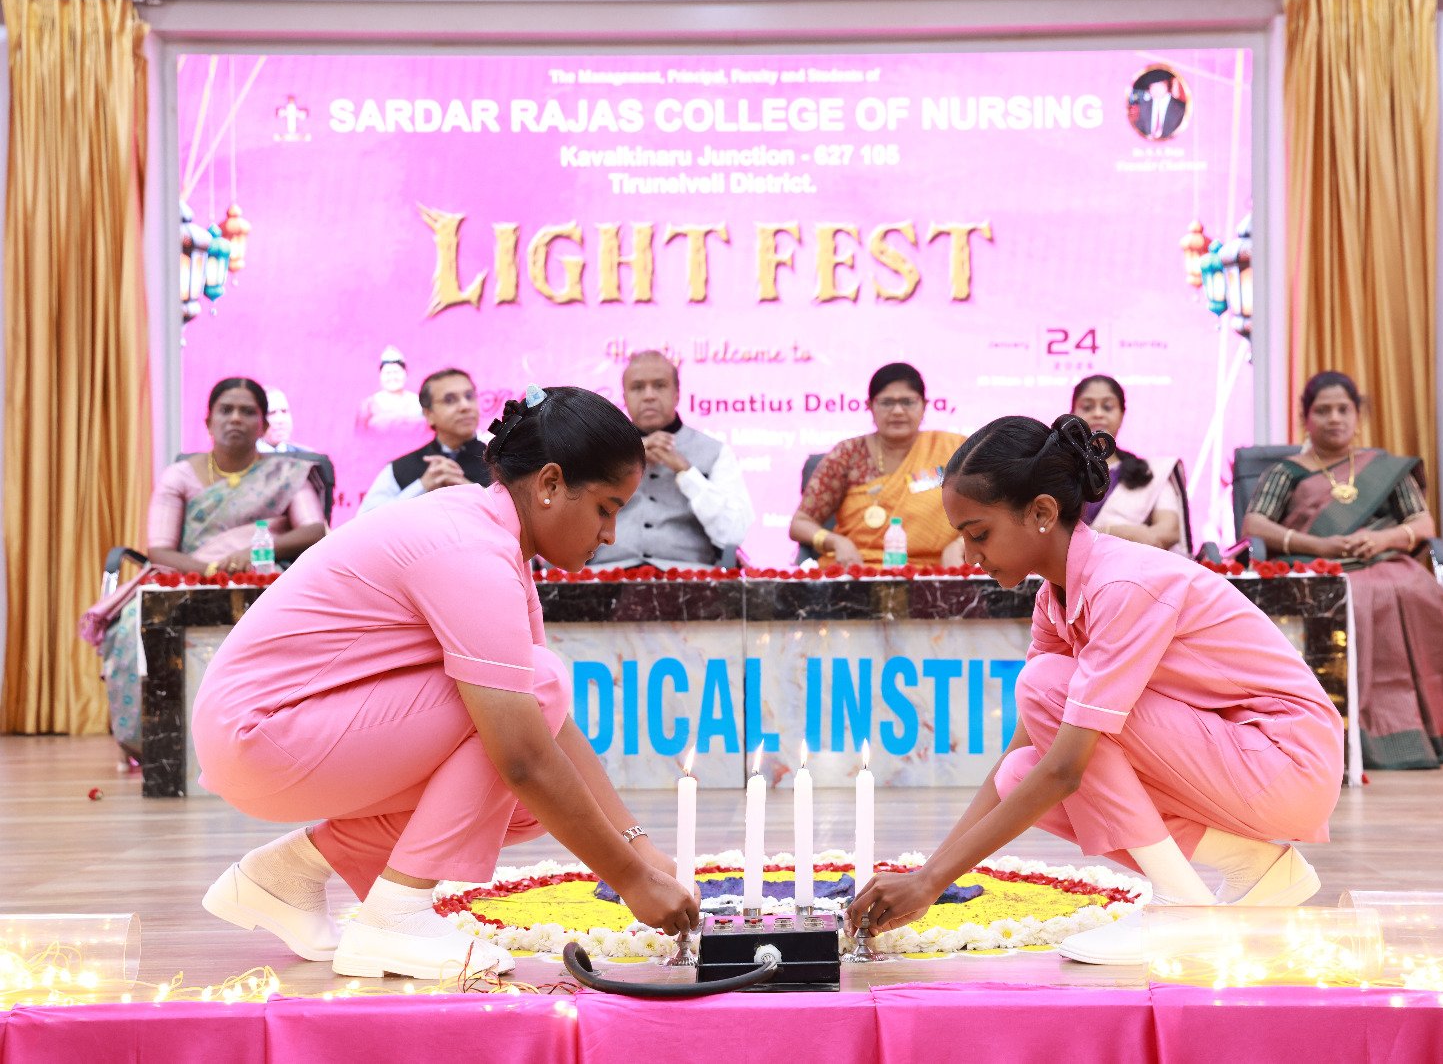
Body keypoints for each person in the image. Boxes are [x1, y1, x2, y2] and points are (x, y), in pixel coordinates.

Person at [192, 385, 698, 981]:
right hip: (261, 734)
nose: (609, 534)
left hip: (275, 735)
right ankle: (395, 917)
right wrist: (632, 880)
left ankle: (289, 874)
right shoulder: (470, 549)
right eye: (606, 509)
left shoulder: (492, 538)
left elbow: (551, 727)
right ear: (550, 484)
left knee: (527, 806)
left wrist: (640, 849)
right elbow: (525, 752)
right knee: (531, 719)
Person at [847, 414, 1343, 966]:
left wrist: (931, 880)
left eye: (979, 534)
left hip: (1286, 760)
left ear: (1041, 513)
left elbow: (1066, 769)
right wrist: (928, 878)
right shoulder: (1054, 598)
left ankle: (1182, 905)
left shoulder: (1121, 584)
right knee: (1018, 775)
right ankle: (1256, 866)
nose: (969, 556)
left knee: (1045, 688)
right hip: (1241, 763)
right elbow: (1024, 755)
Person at [1241, 371, 1443, 769]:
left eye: (1343, 410)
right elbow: (1255, 524)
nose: (1334, 418)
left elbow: (1422, 523)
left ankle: (1414, 733)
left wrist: (1382, 540)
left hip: (1383, 561)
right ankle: (1341, 737)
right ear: (1306, 418)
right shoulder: (1287, 472)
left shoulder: (1381, 468)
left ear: (1357, 416)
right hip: (1316, 567)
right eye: (1323, 410)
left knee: (1425, 598)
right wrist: (1319, 545)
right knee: (1361, 597)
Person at [96, 378, 328, 760]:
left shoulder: (287, 474)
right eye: (226, 410)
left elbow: (314, 530)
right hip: (188, 576)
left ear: (263, 425)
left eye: (247, 411)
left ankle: (285, 737)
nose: (235, 418)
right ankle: (156, 743)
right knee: (133, 622)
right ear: (208, 422)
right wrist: (213, 568)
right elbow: (160, 549)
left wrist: (255, 551)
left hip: (265, 575)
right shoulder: (180, 476)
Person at [789, 362, 966, 567]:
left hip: (936, 574)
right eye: (886, 402)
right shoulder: (848, 454)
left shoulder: (954, 449)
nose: (897, 411)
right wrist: (835, 542)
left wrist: (960, 545)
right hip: (858, 572)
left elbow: (990, 512)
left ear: (924, 405)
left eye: (908, 402)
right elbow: (800, 523)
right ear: (870, 406)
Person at [591, 350, 754, 569]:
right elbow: (567, 524)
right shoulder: (596, 452)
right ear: (625, 397)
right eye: (638, 387)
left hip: (690, 578)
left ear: (677, 394)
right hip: (604, 577)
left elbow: (732, 534)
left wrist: (686, 472)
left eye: (660, 385)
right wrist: (622, 461)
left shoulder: (715, 452)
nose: (649, 396)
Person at [1070, 374, 1190, 553]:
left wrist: (1101, 533)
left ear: (1121, 414)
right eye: (1087, 407)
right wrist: (1123, 532)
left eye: (1107, 407)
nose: (1098, 413)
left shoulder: (1151, 473)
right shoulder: (1060, 472)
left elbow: (1167, 532)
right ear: (1072, 415)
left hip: (1131, 567)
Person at [359, 368, 491, 514]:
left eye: (469, 396)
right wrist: (421, 486)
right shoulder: (401, 468)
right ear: (428, 414)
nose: (465, 406)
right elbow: (364, 520)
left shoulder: (500, 462)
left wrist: (470, 490)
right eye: (449, 400)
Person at [356, 345, 424, 432]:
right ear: (380, 375)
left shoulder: (419, 402)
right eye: (388, 373)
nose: (393, 377)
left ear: (406, 373)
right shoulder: (369, 405)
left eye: (396, 372)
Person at [257, 388, 309, 454]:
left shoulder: (307, 456)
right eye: (272, 413)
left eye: (284, 411)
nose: (280, 420)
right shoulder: (245, 457)